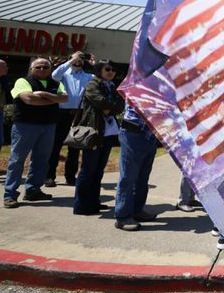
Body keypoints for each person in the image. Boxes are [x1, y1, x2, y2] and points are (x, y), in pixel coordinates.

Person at [3, 58, 68, 208]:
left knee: (41, 160)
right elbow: (29, 99)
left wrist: (42, 94)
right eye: (38, 67)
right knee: (17, 160)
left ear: (50, 69)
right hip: (25, 126)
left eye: (46, 67)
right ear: (32, 68)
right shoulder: (23, 81)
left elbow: (65, 98)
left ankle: (33, 190)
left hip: (48, 126)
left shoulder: (56, 83)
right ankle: (10, 194)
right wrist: (54, 99)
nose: (42, 69)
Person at [73, 60, 124, 215]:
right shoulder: (92, 84)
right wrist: (111, 106)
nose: (111, 72)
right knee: (88, 169)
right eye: (107, 69)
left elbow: (121, 103)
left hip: (107, 133)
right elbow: (99, 101)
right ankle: (81, 206)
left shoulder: (111, 85)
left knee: (98, 170)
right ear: (99, 70)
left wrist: (111, 107)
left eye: (113, 70)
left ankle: (93, 202)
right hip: (94, 131)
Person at [47, 51, 95, 187]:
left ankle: (70, 176)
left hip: (79, 114)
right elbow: (54, 76)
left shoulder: (89, 76)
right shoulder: (63, 74)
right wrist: (71, 60)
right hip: (62, 113)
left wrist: (94, 65)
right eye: (76, 58)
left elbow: (100, 80)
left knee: (75, 146)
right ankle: (49, 175)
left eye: (81, 58)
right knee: (55, 146)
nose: (78, 60)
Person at [114, 103, 159, 231]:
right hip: (133, 132)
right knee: (128, 177)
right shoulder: (136, 84)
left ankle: (137, 210)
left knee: (142, 177)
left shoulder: (159, 85)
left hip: (149, 134)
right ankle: (122, 216)